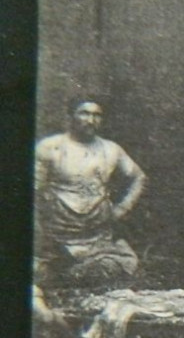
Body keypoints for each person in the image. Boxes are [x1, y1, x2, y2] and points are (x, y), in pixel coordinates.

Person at [33, 96, 147, 290]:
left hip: (97, 237)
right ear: (71, 116)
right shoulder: (50, 147)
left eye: (97, 115)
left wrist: (122, 208)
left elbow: (139, 177)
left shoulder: (111, 149)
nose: (91, 120)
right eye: (84, 113)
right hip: (57, 237)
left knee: (115, 268)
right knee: (44, 274)